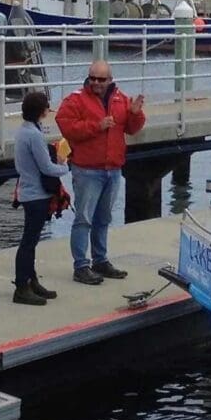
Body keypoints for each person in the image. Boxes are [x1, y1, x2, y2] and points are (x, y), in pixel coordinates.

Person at [55, 60, 145, 285]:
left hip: (113, 169)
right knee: (83, 219)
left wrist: (135, 114)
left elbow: (133, 129)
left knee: (103, 218)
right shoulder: (75, 100)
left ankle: (100, 260)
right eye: (92, 78)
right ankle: (81, 266)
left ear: (110, 80)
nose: (96, 82)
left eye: (101, 79)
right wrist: (97, 125)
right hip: (87, 170)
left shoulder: (120, 99)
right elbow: (66, 126)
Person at [13, 92, 69, 305]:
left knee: (32, 240)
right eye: (47, 107)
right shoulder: (34, 135)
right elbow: (46, 167)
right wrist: (64, 165)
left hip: (28, 191)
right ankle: (21, 286)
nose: (49, 110)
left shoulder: (23, 131)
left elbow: (23, 165)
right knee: (29, 241)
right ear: (41, 111)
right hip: (36, 195)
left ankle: (31, 280)